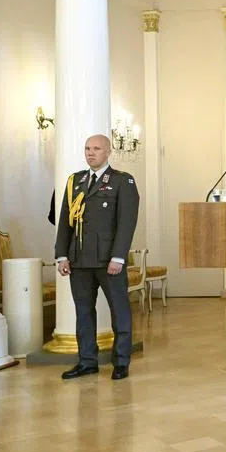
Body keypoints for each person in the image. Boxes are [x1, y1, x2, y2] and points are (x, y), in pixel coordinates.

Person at [55, 135, 140, 381]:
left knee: (119, 311)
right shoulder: (75, 181)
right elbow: (65, 221)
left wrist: (119, 257)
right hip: (79, 259)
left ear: (108, 151)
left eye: (96, 148)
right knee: (83, 312)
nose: (90, 153)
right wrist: (62, 255)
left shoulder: (122, 181)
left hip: (108, 260)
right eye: (87, 148)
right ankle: (87, 361)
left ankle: (121, 362)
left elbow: (126, 223)